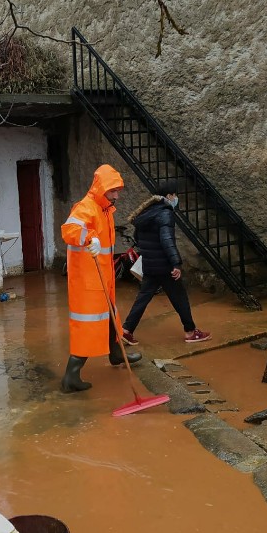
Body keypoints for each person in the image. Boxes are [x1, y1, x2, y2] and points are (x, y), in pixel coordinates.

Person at [60, 164, 142, 393]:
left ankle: (116, 355)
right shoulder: (86, 207)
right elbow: (69, 230)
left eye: (118, 190)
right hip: (88, 279)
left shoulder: (104, 210)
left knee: (110, 317)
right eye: (112, 190)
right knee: (88, 326)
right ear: (101, 188)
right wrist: (89, 238)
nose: (116, 195)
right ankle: (71, 378)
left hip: (102, 275)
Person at [121, 179, 211, 346]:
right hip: (164, 266)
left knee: (143, 297)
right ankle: (190, 332)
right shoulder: (165, 213)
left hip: (149, 264)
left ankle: (126, 331)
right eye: (175, 194)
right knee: (180, 297)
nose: (176, 198)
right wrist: (176, 264)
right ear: (170, 196)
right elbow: (167, 240)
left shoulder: (146, 213)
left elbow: (138, 238)